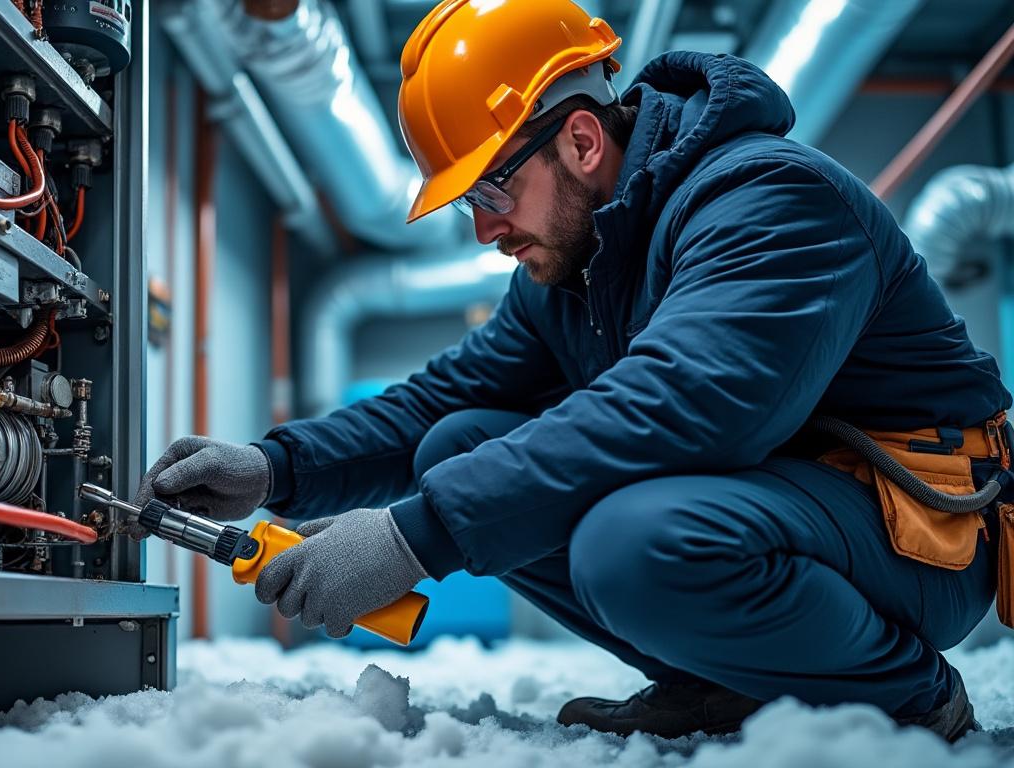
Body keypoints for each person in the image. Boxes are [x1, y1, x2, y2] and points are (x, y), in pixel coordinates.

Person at [139, 0, 1011, 742]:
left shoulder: (767, 198)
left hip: (919, 526)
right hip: (789, 503)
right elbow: (444, 399)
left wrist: (415, 536)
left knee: (632, 543)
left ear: (584, 142)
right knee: (458, 443)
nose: (484, 231)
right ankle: (726, 680)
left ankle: (910, 695)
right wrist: (274, 467)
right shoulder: (581, 264)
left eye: (489, 193)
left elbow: (685, 404)